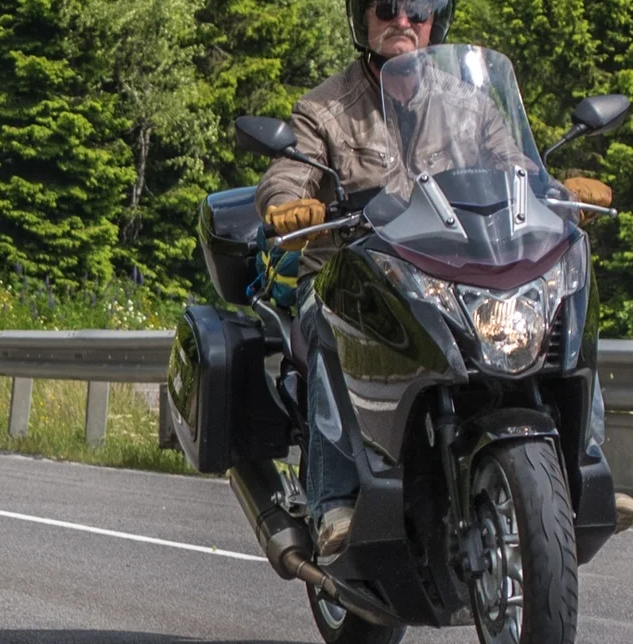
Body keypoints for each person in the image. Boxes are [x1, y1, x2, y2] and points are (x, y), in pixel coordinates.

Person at [254, 0, 618, 558]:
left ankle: (585, 462)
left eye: (419, 7)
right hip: (355, 274)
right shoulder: (324, 109)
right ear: (362, 17)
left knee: (566, 291)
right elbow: (286, 173)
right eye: (387, 5)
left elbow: (516, 167)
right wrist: (290, 204)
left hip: (450, 273)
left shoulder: (469, 104)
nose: (403, 18)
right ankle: (336, 498)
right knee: (329, 315)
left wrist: (560, 194)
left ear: (437, 20)